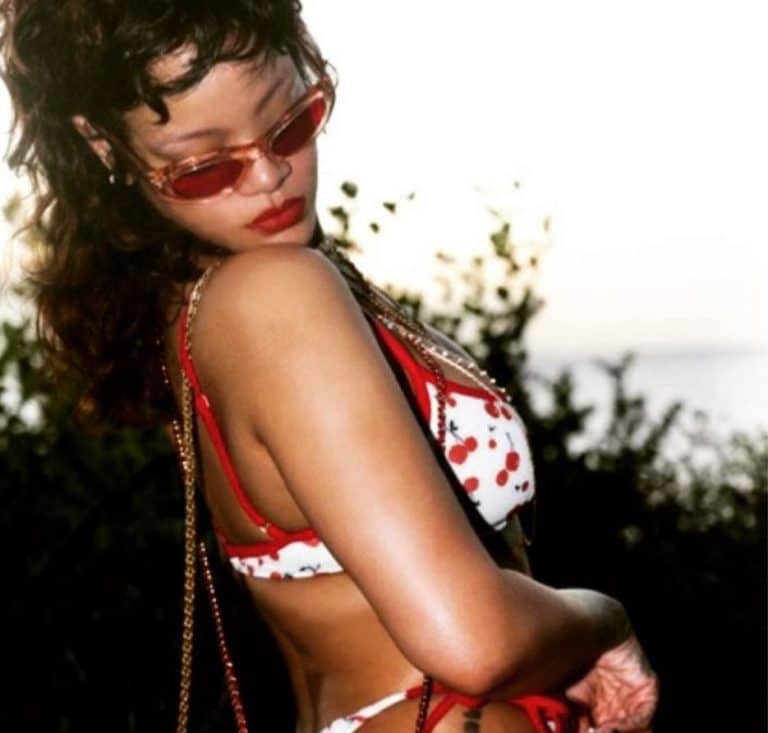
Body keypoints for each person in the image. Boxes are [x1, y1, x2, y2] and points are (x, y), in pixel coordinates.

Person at [0, 1, 659, 731]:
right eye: (205, 169)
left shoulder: (205, 305)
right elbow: (471, 642)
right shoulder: (274, 294)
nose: (269, 175)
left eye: (292, 123)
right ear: (106, 147)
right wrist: (604, 621)